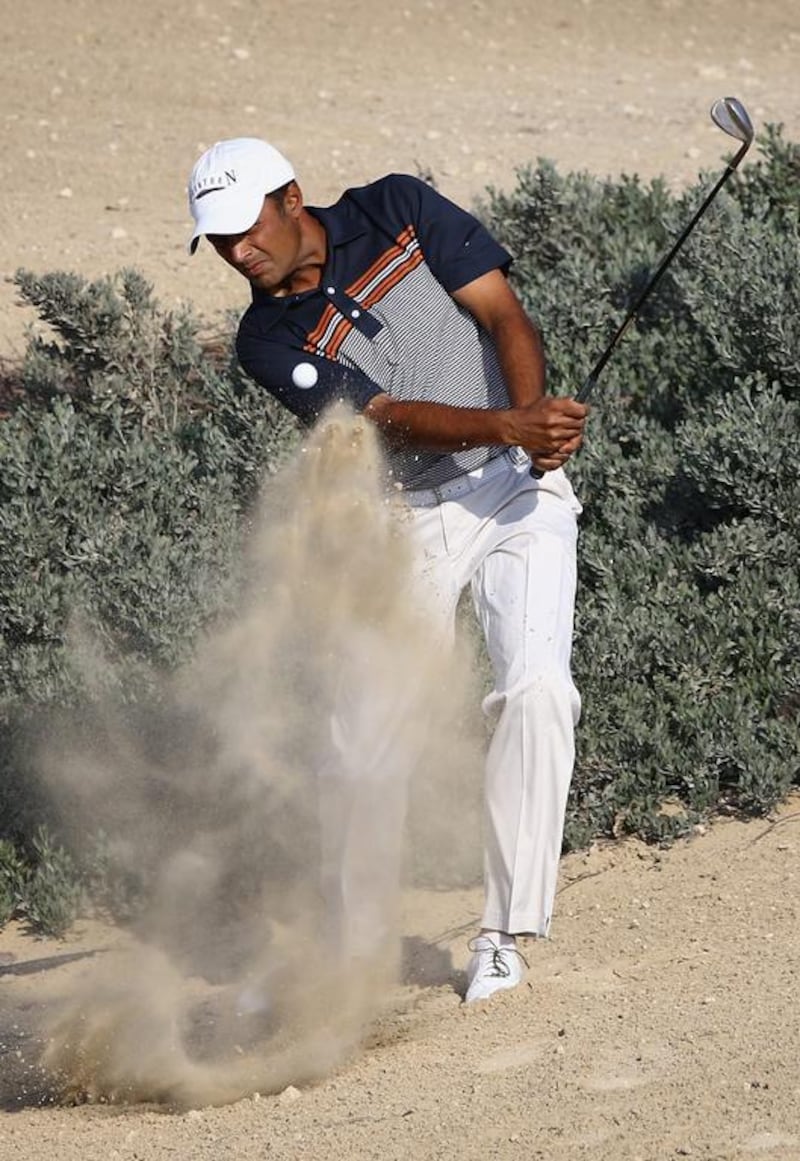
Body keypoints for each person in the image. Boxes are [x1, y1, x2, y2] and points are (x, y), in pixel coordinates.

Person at [187, 137, 588, 1003]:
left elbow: (503, 315)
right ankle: (355, 955)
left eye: (245, 228)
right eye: (217, 241)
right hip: (402, 517)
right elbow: (387, 420)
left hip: (520, 491)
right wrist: (514, 427)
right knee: (361, 741)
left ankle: (504, 933)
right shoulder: (266, 339)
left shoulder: (397, 209)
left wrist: (533, 433)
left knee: (538, 692)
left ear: (292, 198)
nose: (236, 252)